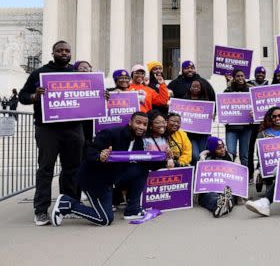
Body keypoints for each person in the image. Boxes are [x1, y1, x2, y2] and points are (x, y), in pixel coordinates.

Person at [50, 112, 173, 226]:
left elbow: (146, 164)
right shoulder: (111, 133)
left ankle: (133, 209)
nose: (141, 127)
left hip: (111, 179)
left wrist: (164, 161)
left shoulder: (139, 142)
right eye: (138, 122)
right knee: (105, 219)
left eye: (145, 124)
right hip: (94, 179)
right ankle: (67, 203)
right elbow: (89, 151)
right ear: (130, 122)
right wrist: (99, 156)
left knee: (141, 170)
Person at [18, 40, 85, 226]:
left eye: (67, 50)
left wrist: (101, 96)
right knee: (46, 169)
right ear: (53, 52)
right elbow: (23, 96)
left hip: (73, 128)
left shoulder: (77, 73)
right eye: (60, 50)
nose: (64, 53)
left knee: (72, 169)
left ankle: (70, 205)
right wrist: (34, 96)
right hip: (48, 129)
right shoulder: (40, 73)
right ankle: (41, 210)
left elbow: (90, 96)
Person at [253, 106, 280, 191]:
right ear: (270, 118)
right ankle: (267, 183)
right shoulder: (262, 134)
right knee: (266, 166)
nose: (277, 118)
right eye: (274, 116)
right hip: (270, 164)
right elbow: (260, 154)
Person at [197, 137, 235, 218]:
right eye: (219, 148)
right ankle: (220, 204)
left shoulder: (231, 157)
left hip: (225, 187)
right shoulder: (205, 160)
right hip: (211, 188)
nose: (222, 150)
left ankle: (224, 203)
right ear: (213, 149)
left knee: (230, 193)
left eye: (223, 147)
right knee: (209, 196)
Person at [224, 68, 252, 167]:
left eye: (242, 76)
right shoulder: (227, 91)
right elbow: (222, 106)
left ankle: (245, 178)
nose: (240, 78)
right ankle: (231, 178)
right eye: (238, 76)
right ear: (234, 78)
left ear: (245, 77)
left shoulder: (250, 90)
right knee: (231, 153)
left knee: (244, 155)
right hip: (231, 128)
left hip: (246, 128)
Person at [183, 78, 213, 163]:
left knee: (202, 155)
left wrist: (211, 115)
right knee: (195, 156)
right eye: (194, 86)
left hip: (203, 135)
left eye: (198, 87)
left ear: (201, 89)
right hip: (190, 135)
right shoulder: (184, 100)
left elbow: (208, 116)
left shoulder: (206, 101)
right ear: (190, 87)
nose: (196, 88)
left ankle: (198, 174)